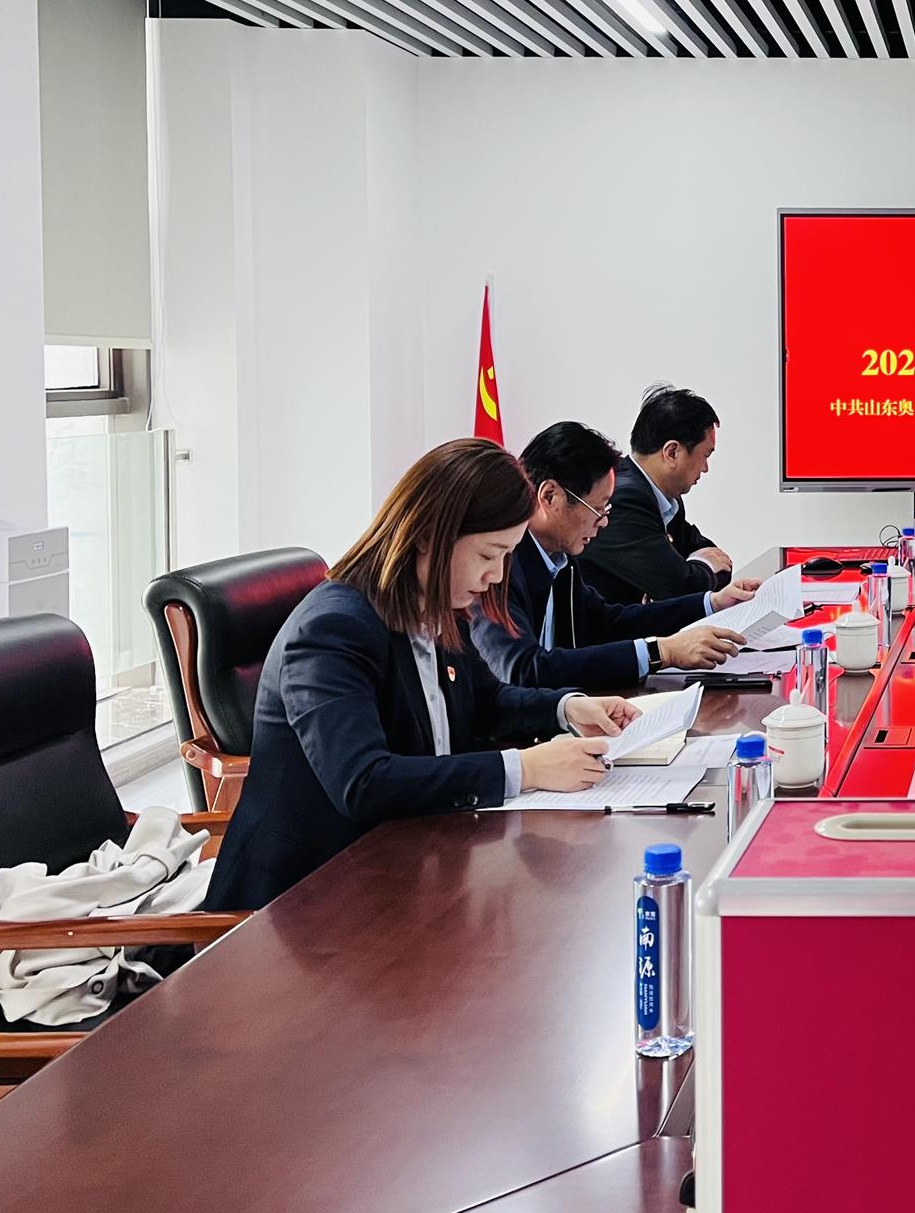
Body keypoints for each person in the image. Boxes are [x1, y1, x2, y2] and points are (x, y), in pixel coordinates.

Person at [206, 440, 638, 912]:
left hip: (408, 862)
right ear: (429, 537)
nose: (497, 576)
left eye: (507, 556)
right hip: (305, 900)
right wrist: (527, 768)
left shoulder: (437, 606)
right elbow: (364, 783)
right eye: (488, 555)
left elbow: (487, 701)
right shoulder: (333, 629)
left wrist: (567, 709)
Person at [471, 421, 758, 688]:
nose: (604, 522)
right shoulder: (499, 566)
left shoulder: (560, 560)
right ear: (550, 497)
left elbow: (608, 622)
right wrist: (660, 652)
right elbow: (524, 670)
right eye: (598, 509)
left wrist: (711, 603)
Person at [579, 384, 735, 603]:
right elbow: (680, 588)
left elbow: (718, 560)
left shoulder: (666, 499)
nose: (706, 468)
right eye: (705, 456)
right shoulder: (624, 500)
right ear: (672, 452)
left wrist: (696, 569)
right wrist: (704, 565)